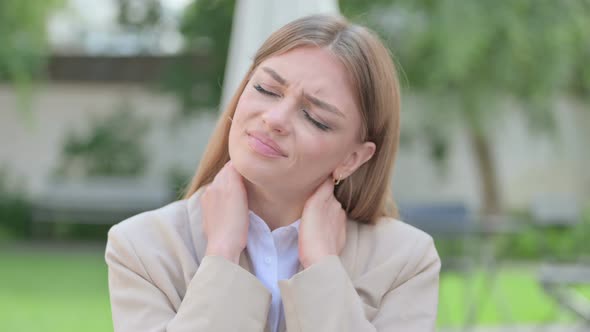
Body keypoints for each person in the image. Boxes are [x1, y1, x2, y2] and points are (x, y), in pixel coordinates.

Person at [105, 14, 440, 332]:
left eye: (315, 118)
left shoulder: (404, 261)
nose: (275, 119)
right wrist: (222, 253)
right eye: (265, 90)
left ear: (352, 158)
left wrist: (322, 264)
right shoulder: (143, 247)